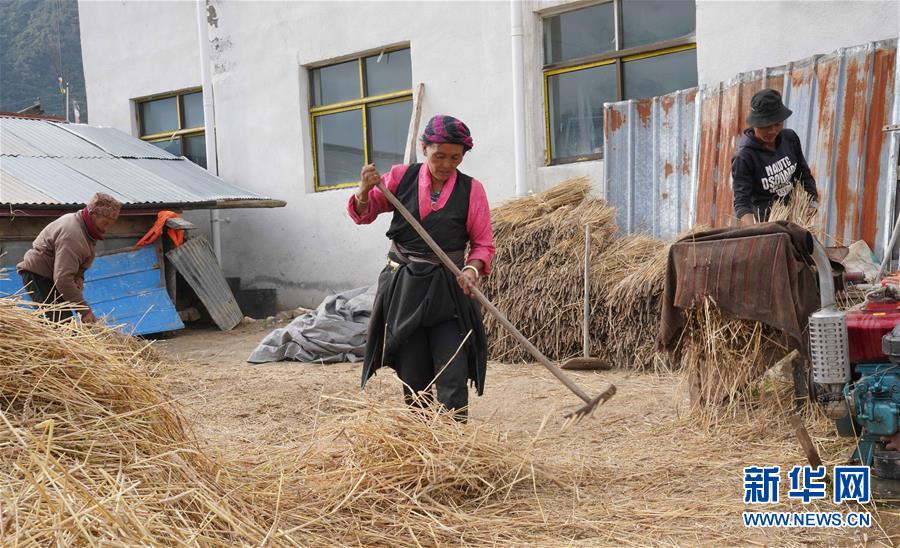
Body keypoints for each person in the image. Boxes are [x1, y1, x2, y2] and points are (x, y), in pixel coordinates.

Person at [348, 114, 495, 418]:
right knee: (413, 370)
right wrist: (364, 189)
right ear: (424, 147)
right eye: (439, 155)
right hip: (404, 285)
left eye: (455, 157)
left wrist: (471, 269)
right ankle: (422, 432)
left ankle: (454, 434)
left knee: (453, 365)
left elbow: (483, 244)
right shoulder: (401, 177)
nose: (446, 164)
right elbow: (364, 213)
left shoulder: (472, 190)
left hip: (448, 287)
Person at [17, 192, 122, 322]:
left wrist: (79, 276)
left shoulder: (84, 227)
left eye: (109, 224)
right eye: (105, 223)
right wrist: (85, 311)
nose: (106, 229)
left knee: (63, 324)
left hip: (50, 277)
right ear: (93, 214)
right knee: (62, 326)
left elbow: (76, 261)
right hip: (39, 276)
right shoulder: (73, 234)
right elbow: (62, 279)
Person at [731, 88, 818, 227]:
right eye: (765, 126)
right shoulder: (744, 157)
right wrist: (755, 230)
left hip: (794, 220)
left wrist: (812, 203)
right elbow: (742, 202)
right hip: (766, 225)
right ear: (755, 123)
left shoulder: (790, 139)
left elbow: (804, 175)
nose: (772, 131)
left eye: (777, 124)